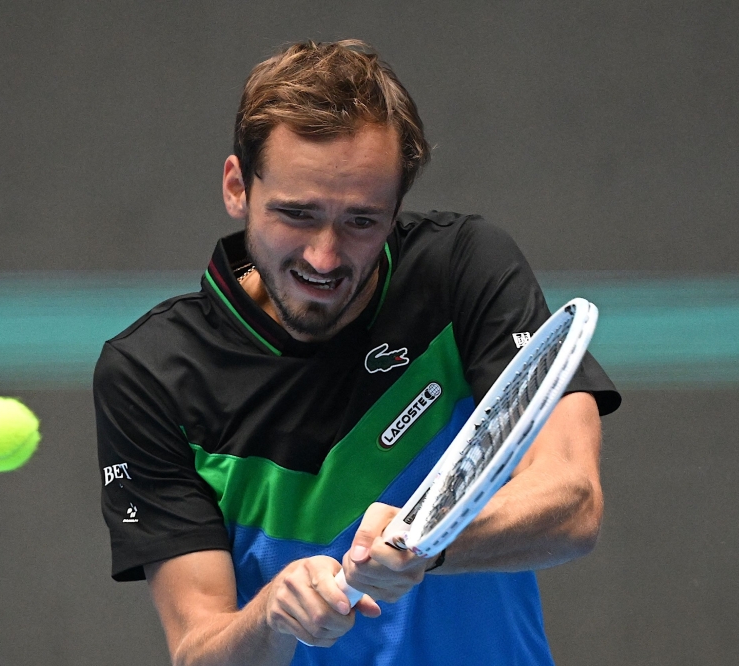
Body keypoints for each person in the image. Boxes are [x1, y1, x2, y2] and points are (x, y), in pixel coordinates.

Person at [95, 39, 621, 666]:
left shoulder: (463, 271)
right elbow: (197, 650)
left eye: (361, 221)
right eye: (296, 213)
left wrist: (428, 538)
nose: (324, 256)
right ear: (237, 187)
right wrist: (271, 615)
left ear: (397, 207)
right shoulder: (151, 374)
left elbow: (572, 501)